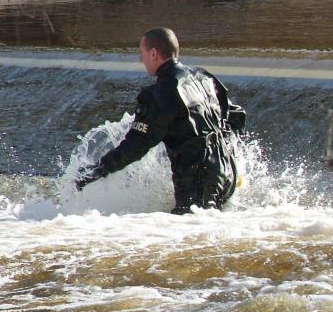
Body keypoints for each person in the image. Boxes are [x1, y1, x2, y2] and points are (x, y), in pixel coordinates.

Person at [76, 27, 246, 214]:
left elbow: (135, 146)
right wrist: (227, 152)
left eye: (142, 53)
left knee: (187, 234)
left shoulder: (160, 93)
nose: (141, 59)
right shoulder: (203, 77)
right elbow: (237, 116)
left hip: (197, 181)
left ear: (154, 53)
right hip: (228, 173)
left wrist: (96, 171)